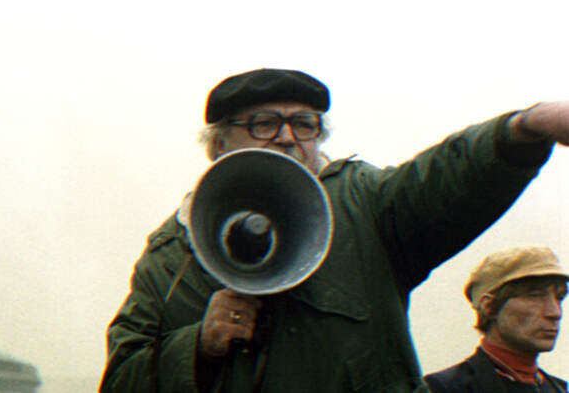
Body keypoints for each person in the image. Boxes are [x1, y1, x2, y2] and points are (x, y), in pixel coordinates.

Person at [99, 68, 569, 392]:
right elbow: (122, 378)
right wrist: (198, 345)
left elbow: (444, 180)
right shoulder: (171, 254)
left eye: (304, 124)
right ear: (218, 143)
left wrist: (522, 129)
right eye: (264, 123)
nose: (287, 137)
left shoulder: (366, 202)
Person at [424, 246, 568, 392]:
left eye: (559, 297)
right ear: (489, 307)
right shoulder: (443, 388)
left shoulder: (559, 389)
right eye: (535, 295)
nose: (555, 313)